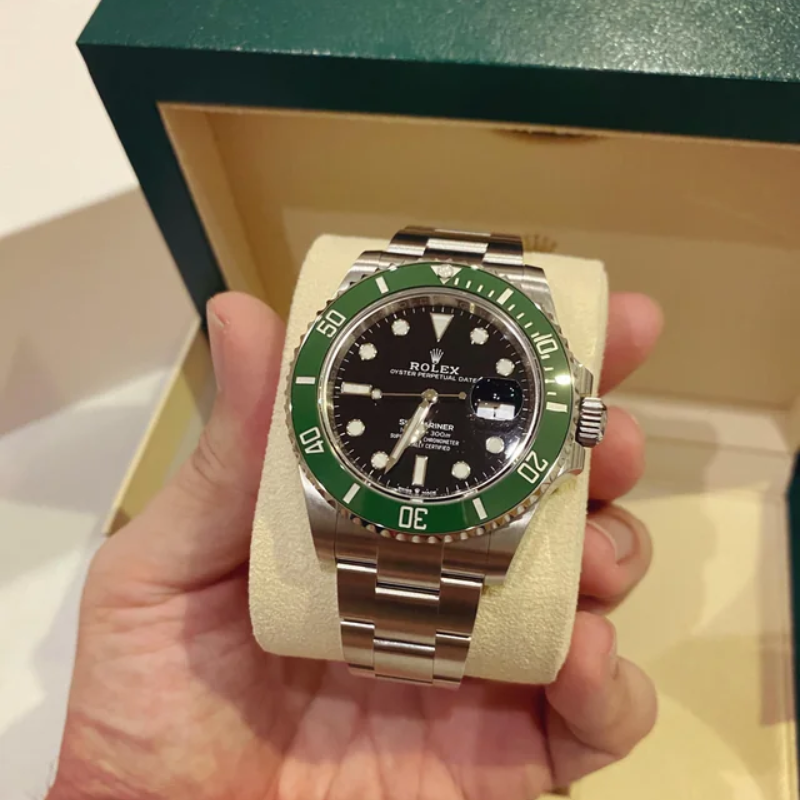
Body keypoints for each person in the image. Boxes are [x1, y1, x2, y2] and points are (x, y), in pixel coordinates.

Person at [48, 290, 662, 800]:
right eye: (423, 393)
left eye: (436, 395)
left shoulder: (544, 417)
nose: (430, 396)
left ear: (577, 422)